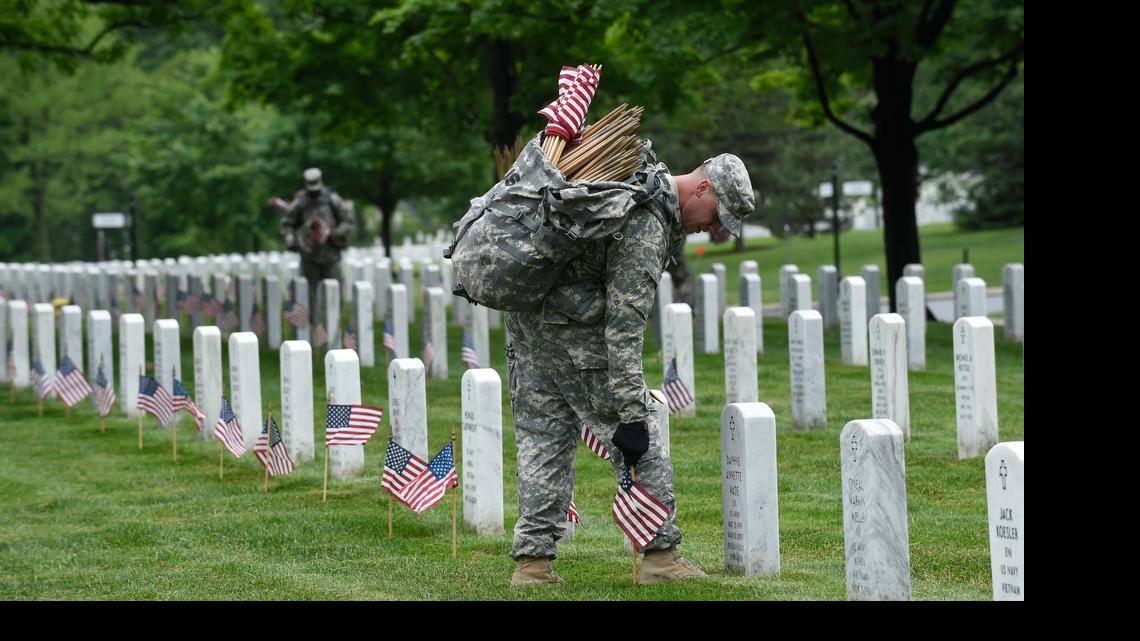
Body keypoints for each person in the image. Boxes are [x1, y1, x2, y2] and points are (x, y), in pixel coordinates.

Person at [505, 151, 755, 586]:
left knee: (542, 439)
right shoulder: (647, 219)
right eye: (717, 215)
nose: (714, 228)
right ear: (702, 189)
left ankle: (533, 566)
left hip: (528, 324)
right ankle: (661, 558)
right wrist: (630, 410)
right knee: (645, 436)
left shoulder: (634, 184)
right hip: (577, 335)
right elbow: (624, 324)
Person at [280, 168, 354, 311]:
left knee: (333, 292)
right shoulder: (300, 201)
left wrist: (334, 233)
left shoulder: (332, 199)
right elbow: (288, 223)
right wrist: (291, 241)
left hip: (330, 253)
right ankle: (313, 325)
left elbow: (348, 220)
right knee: (308, 293)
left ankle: (333, 324)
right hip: (309, 254)